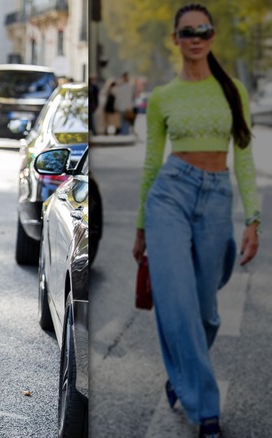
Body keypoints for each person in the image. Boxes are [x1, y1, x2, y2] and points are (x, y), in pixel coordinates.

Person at [132, 4, 259, 437]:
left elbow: (243, 157)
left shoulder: (232, 90)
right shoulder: (164, 96)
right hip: (170, 196)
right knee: (178, 306)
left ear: (212, 35)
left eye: (203, 29)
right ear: (176, 39)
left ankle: (180, 378)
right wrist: (140, 228)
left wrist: (253, 219)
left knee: (207, 315)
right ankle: (206, 411)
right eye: (188, 31)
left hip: (217, 197)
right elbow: (151, 164)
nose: (196, 37)